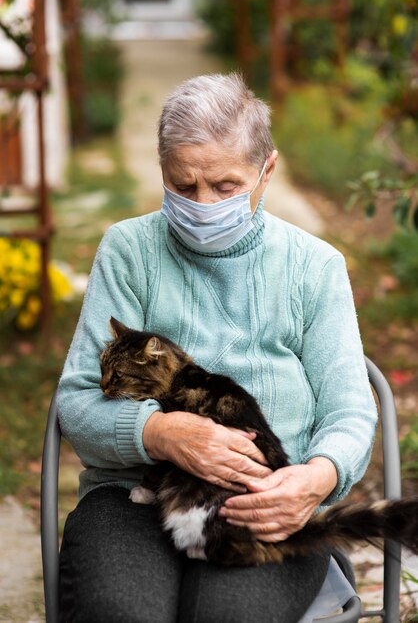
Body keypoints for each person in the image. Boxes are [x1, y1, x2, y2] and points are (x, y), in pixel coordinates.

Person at [57, 73, 377, 623]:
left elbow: (349, 410)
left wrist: (315, 478)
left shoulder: (312, 266)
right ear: (162, 172)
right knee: (120, 611)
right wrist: (157, 433)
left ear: (267, 170)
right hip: (134, 493)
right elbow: (78, 402)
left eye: (225, 186)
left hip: (265, 498)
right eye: (183, 186)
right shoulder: (129, 251)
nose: (202, 204)